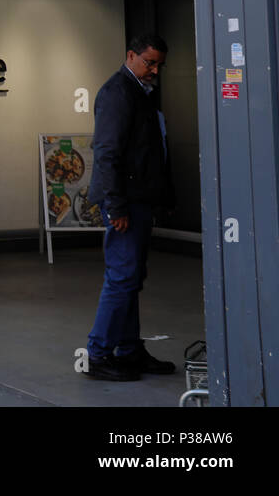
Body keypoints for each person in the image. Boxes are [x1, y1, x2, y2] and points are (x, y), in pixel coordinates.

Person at [84, 32, 176, 382]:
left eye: (158, 65)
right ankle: (99, 353)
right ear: (131, 55)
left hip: (138, 201)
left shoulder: (139, 92)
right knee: (122, 278)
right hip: (125, 203)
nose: (154, 69)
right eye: (149, 62)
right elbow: (106, 153)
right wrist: (116, 206)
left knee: (131, 278)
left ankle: (128, 349)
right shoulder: (117, 92)